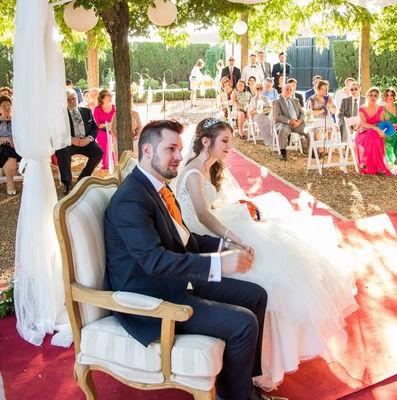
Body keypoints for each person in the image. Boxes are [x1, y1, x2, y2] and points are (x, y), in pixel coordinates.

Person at [175, 118, 357, 392]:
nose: (229, 147)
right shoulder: (192, 173)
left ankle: (262, 359)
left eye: (230, 142)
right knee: (271, 266)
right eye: (224, 141)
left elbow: (210, 207)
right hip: (204, 237)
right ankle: (262, 361)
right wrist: (232, 236)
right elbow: (201, 215)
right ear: (205, 141)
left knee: (279, 243)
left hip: (211, 226)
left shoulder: (205, 167)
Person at [104, 119, 269, 400]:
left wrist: (225, 245)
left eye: (180, 149)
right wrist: (218, 265)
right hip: (152, 298)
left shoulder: (158, 187)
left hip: (177, 282)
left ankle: (240, 387)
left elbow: (183, 239)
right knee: (244, 324)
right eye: (171, 149)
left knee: (256, 296)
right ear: (147, 150)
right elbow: (154, 262)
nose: (179, 156)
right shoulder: (131, 199)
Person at [56, 89, 104, 193]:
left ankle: (82, 179)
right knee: (61, 151)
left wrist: (89, 139)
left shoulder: (87, 111)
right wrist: (70, 139)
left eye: (74, 99)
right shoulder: (60, 115)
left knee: (98, 152)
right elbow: (57, 132)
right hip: (70, 143)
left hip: (86, 142)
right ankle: (67, 183)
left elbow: (94, 128)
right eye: (69, 100)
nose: (72, 102)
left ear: (77, 98)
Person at [0, 95, 22, 195]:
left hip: (18, 146)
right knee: (8, 154)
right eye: (4, 106)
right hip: (3, 147)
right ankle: (10, 182)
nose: (7, 108)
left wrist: (15, 142)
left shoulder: (17, 120)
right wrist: (6, 139)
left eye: (8, 105)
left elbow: (23, 135)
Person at [356, 87, 390, 175]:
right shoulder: (362, 108)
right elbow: (363, 124)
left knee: (374, 136)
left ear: (378, 97)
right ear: (367, 96)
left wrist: (380, 130)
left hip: (376, 133)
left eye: (375, 95)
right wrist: (375, 128)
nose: (373, 97)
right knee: (372, 134)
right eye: (371, 95)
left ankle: (365, 161)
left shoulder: (381, 108)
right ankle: (379, 167)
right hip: (363, 133)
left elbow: (381, 123)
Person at [273, 84, 308, 161]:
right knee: (282, 130)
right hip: (285, 124)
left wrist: (300, 121)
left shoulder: (296, 101)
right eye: (287, 89)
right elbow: (277, 116)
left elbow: (302, 113)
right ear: (282, 90)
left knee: (309, 131)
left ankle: (312, 151)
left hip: (297, 123)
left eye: (290, 90)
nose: (289, 91)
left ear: (292, 91)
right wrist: (289, 121)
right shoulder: (277, 102)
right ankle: (283, 153)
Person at [308, 79, 336, 154]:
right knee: (319, 128)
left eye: (325, 90)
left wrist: (330, 107)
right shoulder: (312, 99)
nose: (324, 91)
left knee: (332, 127)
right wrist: (323, 110)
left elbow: (334, 111)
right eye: (322, 89)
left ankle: (328, 148)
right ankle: (320, 149)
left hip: (327, 120)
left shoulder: (328, 98)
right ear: (317, 89)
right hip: (316, 121)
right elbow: (311, 112)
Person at [93, 89, 116, 170]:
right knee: (105, 138)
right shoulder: (97, 109)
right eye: (107, 96)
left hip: (113, 130)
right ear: (102, 98)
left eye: (110, 96)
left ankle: (115, 161)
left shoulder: (114, 108)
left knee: (113, 137)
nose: (110, 97)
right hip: (101, 131)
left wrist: (110, 126)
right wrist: (108, 124)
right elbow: (97, 124)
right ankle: (106, 163)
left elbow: (117, 122)